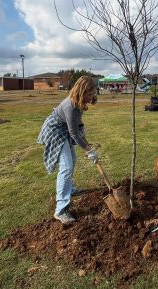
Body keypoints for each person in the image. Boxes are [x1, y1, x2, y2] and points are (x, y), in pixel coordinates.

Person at [38, 76, 99, 224]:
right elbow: (73, 134)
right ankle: (60, 210)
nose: (91, 97)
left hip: (64, 129)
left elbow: (77, 128)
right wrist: (89, 150)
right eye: (89, 94)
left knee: (73, 159)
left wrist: (87, 143)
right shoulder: (70, 106)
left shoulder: (78, 103)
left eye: (93, 94)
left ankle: (70, 188)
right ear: (82, 91)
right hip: (55, 131)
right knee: (66, 167)